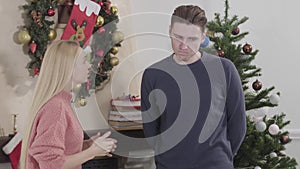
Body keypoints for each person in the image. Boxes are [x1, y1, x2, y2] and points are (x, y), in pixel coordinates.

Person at [141, 5, 246, 169]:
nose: (184, 45)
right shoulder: (153, 74)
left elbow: (238, 125)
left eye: (192, 39)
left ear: (203, 36)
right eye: (178, 37)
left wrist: (220, 157)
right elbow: (151, 130)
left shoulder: (225, 69)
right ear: (169, 31)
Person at [20, 40, 117, 169]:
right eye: (83, 61)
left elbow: (60, 150)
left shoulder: (61, 102)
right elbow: (51, 164)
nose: (89, 66)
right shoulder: (56, 107)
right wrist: (92, 152)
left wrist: (87, 145)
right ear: (68, 67)